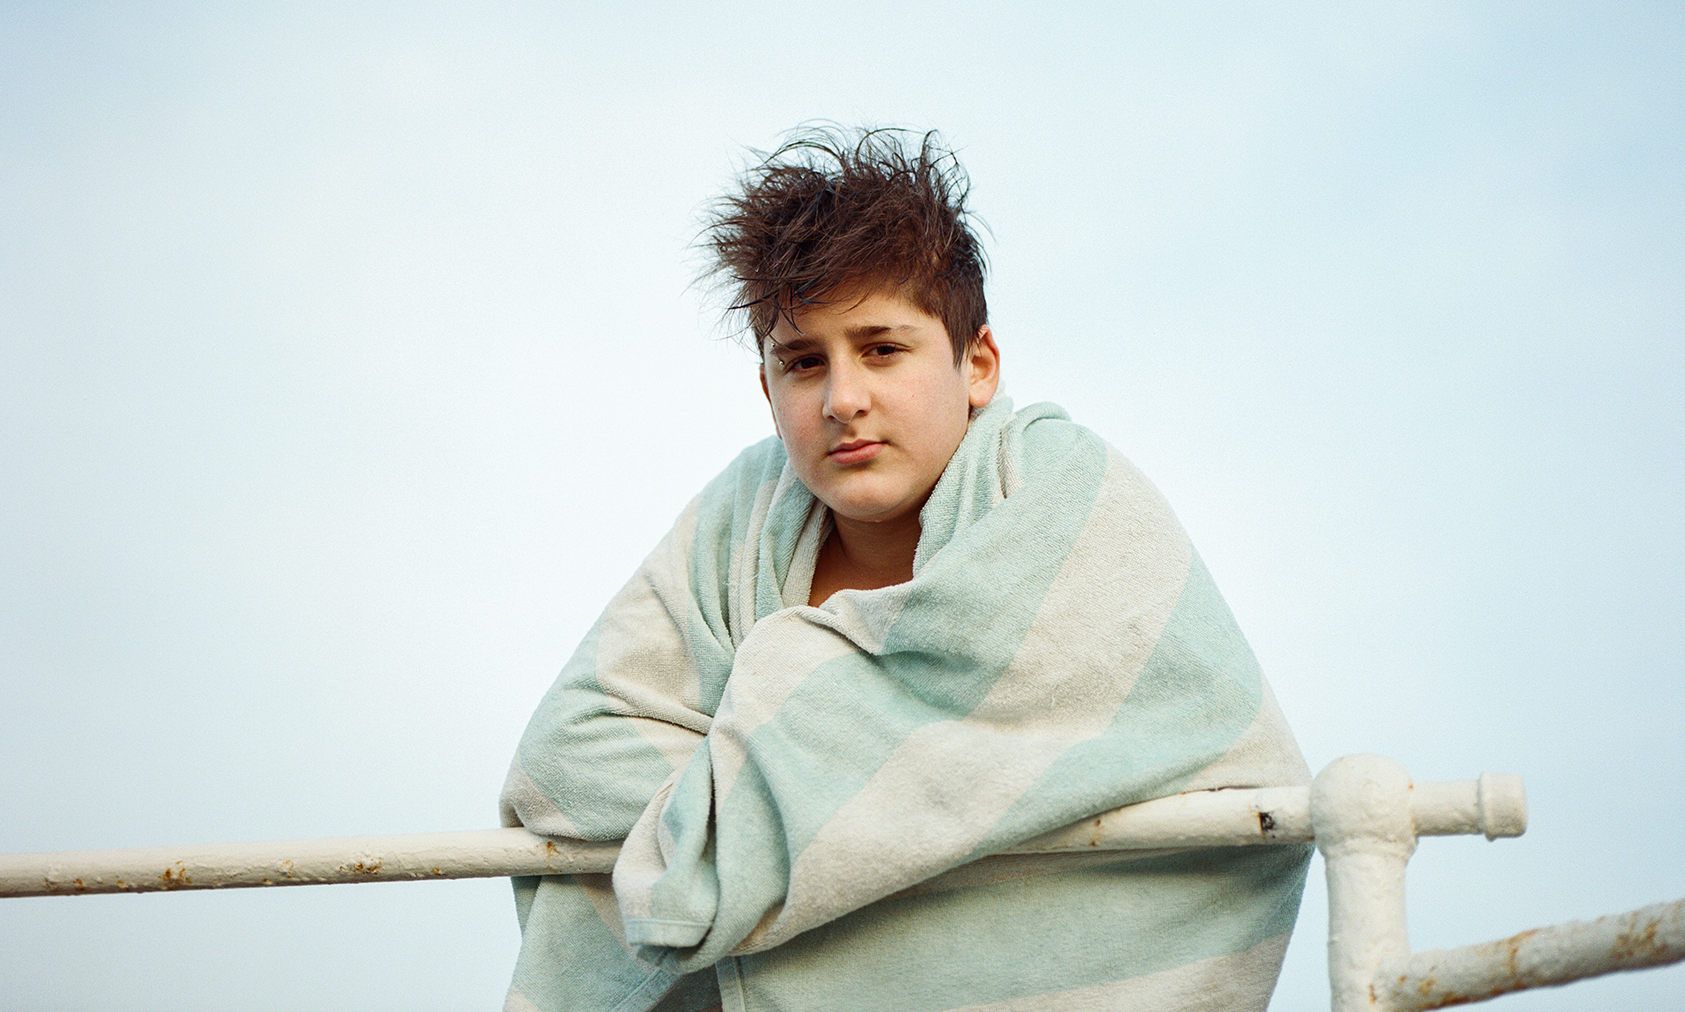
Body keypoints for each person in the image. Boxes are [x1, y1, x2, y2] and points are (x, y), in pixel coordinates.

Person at [500, 127, 1312, 1012]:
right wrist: (839, 803)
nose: (842, 399)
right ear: (767, 390)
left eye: (882, 349)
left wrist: (740, 812)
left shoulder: (1064, 492)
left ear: (977, 365)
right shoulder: (738, 518)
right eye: (802, 362)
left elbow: (1221, 751)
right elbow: (566, 757)